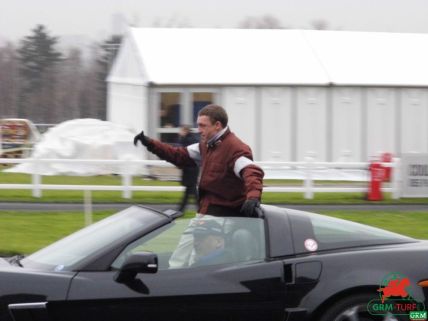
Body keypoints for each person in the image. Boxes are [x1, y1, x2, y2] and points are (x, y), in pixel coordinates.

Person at [134, 104, 264, 217]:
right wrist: (149, 143)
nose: (199, 130)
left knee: (186, 245)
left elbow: (251, 172)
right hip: (206, 212)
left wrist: (253, 197)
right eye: (198, 125)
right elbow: (177, 155)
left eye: (203, 126)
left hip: (223, 217)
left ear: (217, 125)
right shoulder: (205, 145)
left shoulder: (235, 148)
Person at [177, 125, 199, 213]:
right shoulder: (190, 139)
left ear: (185, 131)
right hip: (191, 168)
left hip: (191, 169)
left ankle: (181, 210)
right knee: (190, 190)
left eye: (181, 131)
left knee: (192, 190)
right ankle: (181, 209)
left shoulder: (188, 140)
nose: (179, 132)